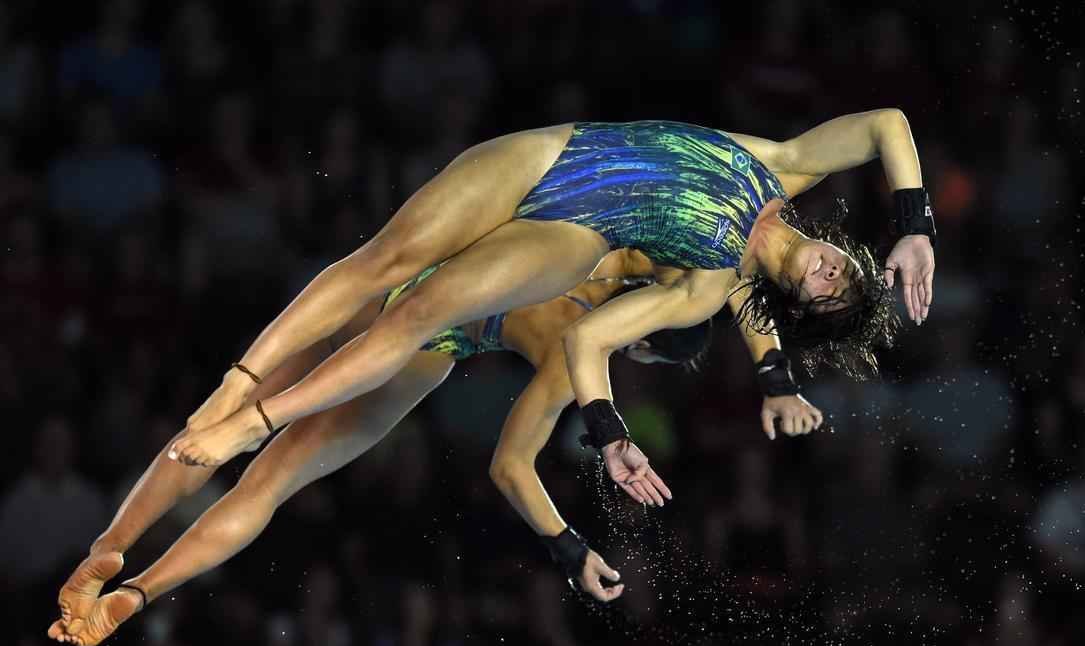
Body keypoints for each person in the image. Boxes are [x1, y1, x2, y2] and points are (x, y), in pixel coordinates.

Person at [47, 248, 823, 646]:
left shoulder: (620, 258)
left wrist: (773, 373)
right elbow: (509, 467)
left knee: (228, 421)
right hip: (434, 344)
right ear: (642, 347)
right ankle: (138, 596)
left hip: (413, 297)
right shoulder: (578, 367)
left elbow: (734, 274)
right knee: (266, 490)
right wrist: (565, 544)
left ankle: (110, 547)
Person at [166, 112, 935, 500]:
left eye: (832, 291)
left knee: (419, 309)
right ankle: (240, 383)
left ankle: (257, 422)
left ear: (796, 300)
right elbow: (886, 125)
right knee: (383, 261)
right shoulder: (782, 168)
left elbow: (590, 343)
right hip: (551, 154)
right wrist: (913, 228)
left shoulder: (707, 285)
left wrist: (609, 438)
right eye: (849, 267)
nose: (835, 270)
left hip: (572, 234)